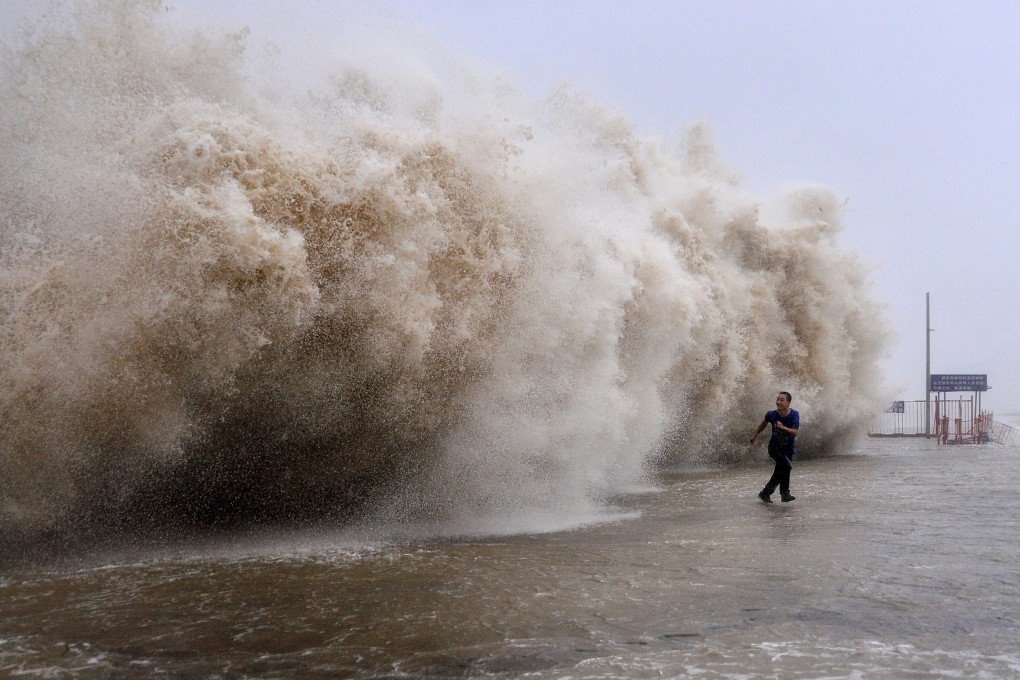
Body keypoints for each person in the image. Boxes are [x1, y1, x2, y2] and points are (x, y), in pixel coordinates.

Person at [750, 391, 800, 503]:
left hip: (788, 449)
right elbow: (764, 423)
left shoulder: (794, 415)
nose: (778, 402)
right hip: (774, 448)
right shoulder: (771, 414)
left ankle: (766, 493)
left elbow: (795, 432)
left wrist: (783, 428)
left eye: (782, 400)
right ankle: (784, 493)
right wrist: (755, 435)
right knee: (786, 466)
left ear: (788, 403)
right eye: (777, 399)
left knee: (780, 471)